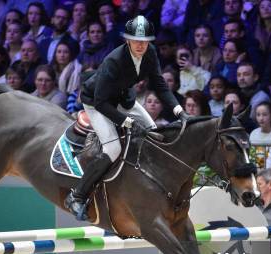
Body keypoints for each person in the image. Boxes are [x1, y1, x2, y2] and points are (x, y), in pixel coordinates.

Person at [64, 15, 189, 221]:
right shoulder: (114, 61)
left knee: (155, 135)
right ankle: (77, 195)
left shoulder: (150, 53)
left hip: (124, 98)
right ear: (127, 40)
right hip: (97, 102)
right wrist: (127, 122)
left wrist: (178, 110)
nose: (141, 45)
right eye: (136, 41)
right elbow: (101, 102)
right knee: (113, 148)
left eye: (145, 41)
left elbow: (159, 84)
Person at [249, 102, 271, 169]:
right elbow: (252, 158)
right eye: (258, 115)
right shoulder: (253, 133)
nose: (261, 118)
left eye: (264, 115)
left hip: (270, 174)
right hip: (254, 172)